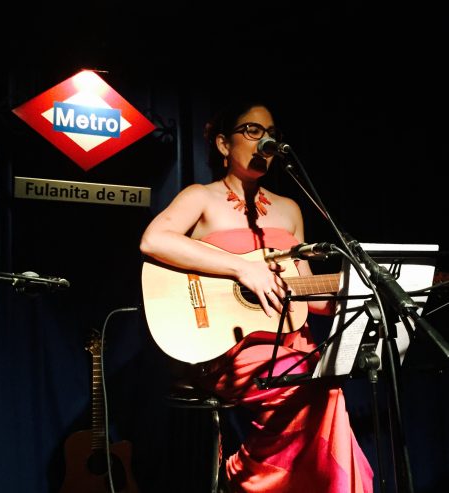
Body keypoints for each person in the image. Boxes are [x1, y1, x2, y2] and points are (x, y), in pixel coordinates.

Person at [139, 100, 373, 492]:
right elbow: (153, 240)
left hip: (292, 343)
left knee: (324, 389)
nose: (264, 139)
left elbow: (308, 295)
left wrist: (352, 292)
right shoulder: (201, 197)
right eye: (251, 130)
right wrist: (242, 268)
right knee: (317, 392)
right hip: (228, 344)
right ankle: (242, 476)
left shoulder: (290, 209)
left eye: (271, 133)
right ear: (223, 144)